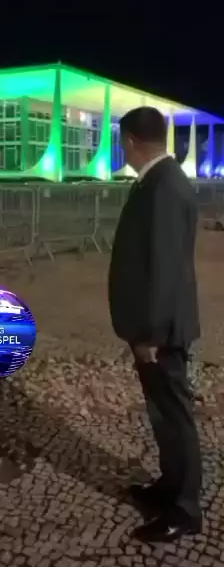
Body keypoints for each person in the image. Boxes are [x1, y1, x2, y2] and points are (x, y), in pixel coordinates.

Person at [108, 107, 202, 543]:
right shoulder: (160, 179)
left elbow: (164, 267)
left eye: (120, 141)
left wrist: (151, 334)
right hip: (156, 325)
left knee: (175, 418)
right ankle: (170, 486)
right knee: (163, 416)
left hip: (160, 330)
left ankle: (184, 509)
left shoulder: (163, 185)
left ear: (130, 140)